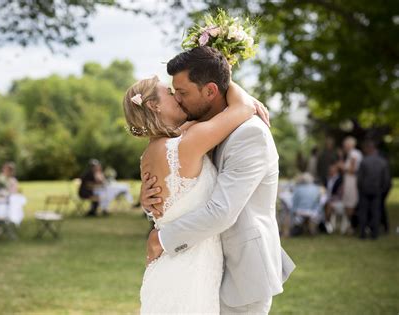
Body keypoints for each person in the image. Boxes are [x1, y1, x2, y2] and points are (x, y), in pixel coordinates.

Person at [137, 47, 294, 314]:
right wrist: (150, 198)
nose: (178, 101)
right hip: (203, 267)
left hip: (241, 274)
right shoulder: (202, 129)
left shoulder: (250, 134)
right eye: (174, 93)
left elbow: (221, 212)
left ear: (210, 91)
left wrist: (160, 239)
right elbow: (185, 186)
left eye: (183, 93)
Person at [357, 140, 390, 239]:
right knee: (376, 212)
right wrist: (383, 190)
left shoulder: (364, 161)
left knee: (363, 212)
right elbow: (386, 180)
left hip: (365, 190)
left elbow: (360, 179)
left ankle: (362, 233)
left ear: (369, 149)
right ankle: (374, 234)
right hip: (377, 190)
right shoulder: (383, 162)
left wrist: (360, 188)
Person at [341, 136, 362, 233]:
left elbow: (352, 170)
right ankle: (351, 225)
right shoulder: (354, 153)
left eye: (345, 145)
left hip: (352, 182)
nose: (344, 147)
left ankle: (351, 226)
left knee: (350, 204)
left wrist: (342, 167)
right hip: (350, 181)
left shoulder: (353, 154)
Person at [324, 163, 346, 234]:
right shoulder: (327, 179)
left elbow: (340, 195)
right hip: (327, 198)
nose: (330, 171)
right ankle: (323, 224)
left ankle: (327, 225)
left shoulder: (340, 180)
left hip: (337, 200)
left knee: (328, 206)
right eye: (329, 170)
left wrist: (330, 198)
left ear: (336, 171)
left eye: (332, 170)